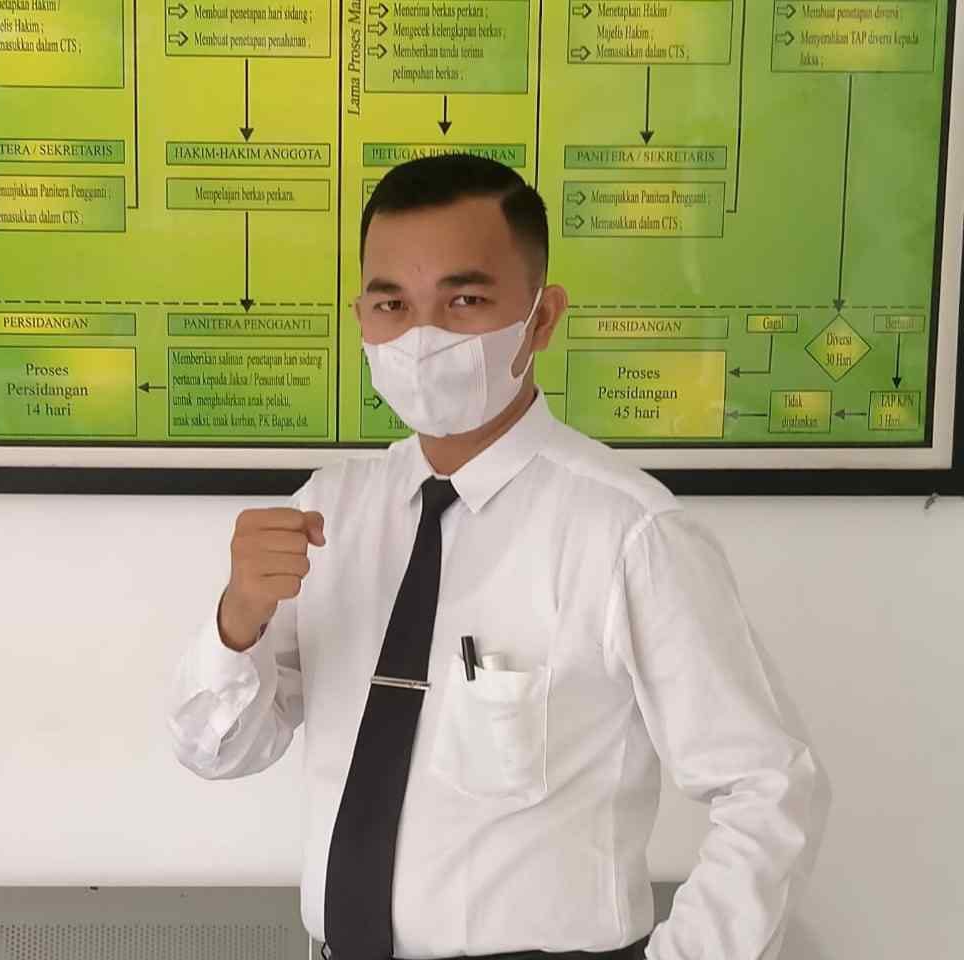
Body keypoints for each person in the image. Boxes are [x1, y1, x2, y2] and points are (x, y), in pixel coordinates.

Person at [167, 153, 821, 960]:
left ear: (542, 320)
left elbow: (769, 787)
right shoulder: (329, 512)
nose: (422, 337)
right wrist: (239, 619)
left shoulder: (626, 531)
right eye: (392, 304)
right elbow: (219, 752)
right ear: (361, 318)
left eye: (465, 300)